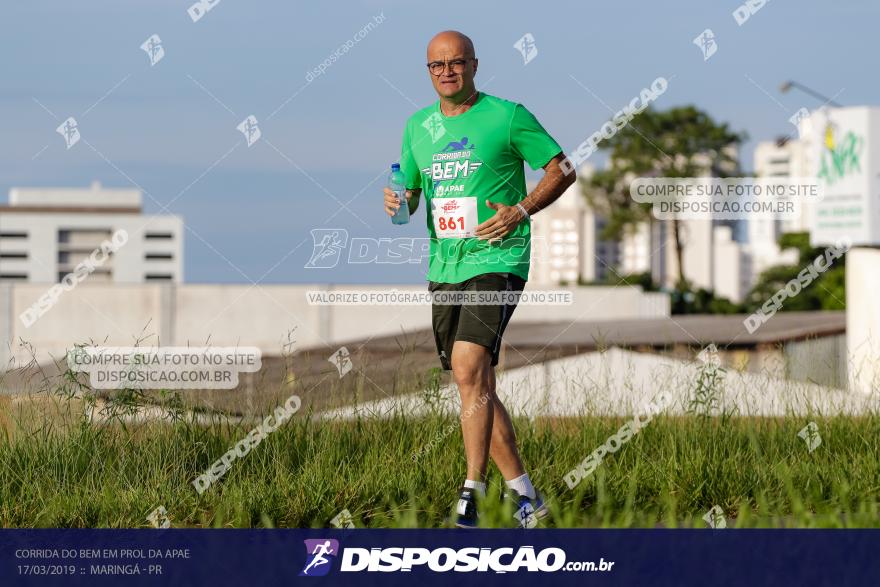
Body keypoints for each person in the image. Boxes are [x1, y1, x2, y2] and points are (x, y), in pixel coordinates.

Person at [383, 30, 574, 528]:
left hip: (498, 257)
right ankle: (526, 499)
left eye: (456, 63)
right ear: (428, 72)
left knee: (470, 366)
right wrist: (399, 202)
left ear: (474, 65)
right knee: (475, 383)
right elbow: (409, 195)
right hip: (444, 266)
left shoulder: (507, 115)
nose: (447, 71)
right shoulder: (416, 127)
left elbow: (562, 170)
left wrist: (521, 210)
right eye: (436, 66)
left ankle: (472, 491)